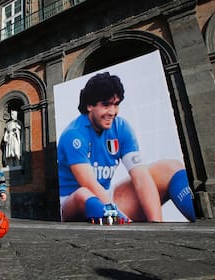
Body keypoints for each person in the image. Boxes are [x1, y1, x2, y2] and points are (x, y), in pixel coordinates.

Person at [57, 72, 195, 223]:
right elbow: (89, 185)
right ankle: (122, 225)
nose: (112, 112)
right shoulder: (74, 134)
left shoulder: (121, 127)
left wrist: (157, 225)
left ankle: (185, 221)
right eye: (105, 105)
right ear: (89, 105)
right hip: (71, 204)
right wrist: (123, 219)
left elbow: (140, 176)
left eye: (116, 104)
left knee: (170, 167)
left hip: (106, 202)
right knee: (83, 193)